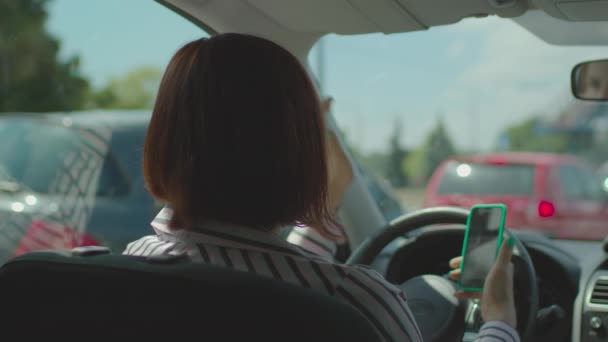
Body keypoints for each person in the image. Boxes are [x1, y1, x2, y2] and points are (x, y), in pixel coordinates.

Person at [124, 33, 518, 342]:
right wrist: (499, 319)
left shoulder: (131, 267)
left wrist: (326, 207)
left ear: (164, 139)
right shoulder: (356, 303)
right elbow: (280, 278)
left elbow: (249, 265)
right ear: (301, 156)